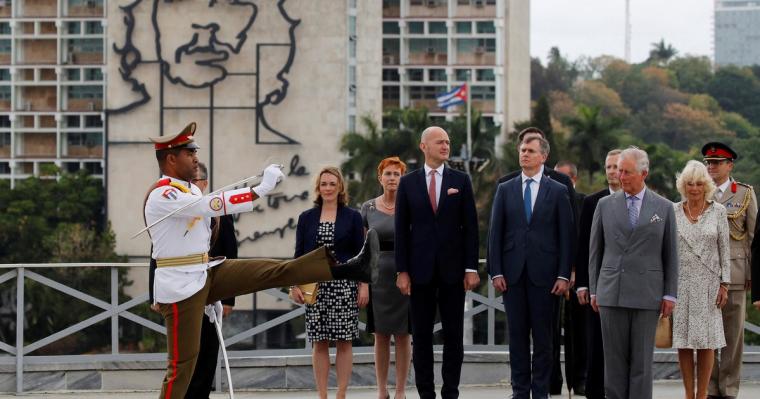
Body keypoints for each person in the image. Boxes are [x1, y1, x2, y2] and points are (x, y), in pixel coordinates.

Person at [143, 122, 378, 399]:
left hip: (205, 271)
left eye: (194, 151)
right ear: (171, 158)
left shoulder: (190, 190)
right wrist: (261, 188)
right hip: (180, 284)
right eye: (189, 153)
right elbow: (210, 206)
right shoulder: (164, 194)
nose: (195, 157)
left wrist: (213, 291)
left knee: (270, 270)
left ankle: (345, 269)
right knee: (182, 365)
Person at [395, 126, 479, 399]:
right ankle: (426, 393)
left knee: (453, 335)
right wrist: (402, 270)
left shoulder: (461, 180)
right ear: (424, 147)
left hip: (453, 272)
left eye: (447, 142)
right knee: (421, 337)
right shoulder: (408, 183)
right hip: (419, 272)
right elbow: (401, 230)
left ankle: (451, 391)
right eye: (439, 142)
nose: (445, 146)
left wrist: (470, 268)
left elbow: (471, 227)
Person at [588, 146, 678, 399]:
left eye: (627, 172)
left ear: (644, 174)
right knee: (614, 364)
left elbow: (670, 254)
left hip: (647, 294)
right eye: (618, 170)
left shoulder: (664, 207)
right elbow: (595, 251)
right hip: (611, 293)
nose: (620, 176)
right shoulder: (604, 205)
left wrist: (670, 294)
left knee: (641, 363)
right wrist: (594, 289)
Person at [488, 136, 574, 399]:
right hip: (512, 276)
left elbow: (566, 236)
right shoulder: (505, 188)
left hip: (546, 277)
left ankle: (540, 393)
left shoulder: (558, 191)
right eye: (522, 150)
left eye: (530, 151)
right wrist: (496, 271)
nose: (524, 154)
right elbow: (495, 233)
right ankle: (520, 391)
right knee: (517, 338)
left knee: (544, 340)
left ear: (543, 157)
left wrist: (563, 274)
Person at [291, 166, 366, 399]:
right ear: (318, 188)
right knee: (319, 342)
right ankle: (322, 395)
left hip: (344, 285)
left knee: (344, 341)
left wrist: (364, 286)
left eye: (332, 183)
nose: (328, 188)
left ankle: (341, 394)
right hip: (315, 286)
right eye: (324, 184)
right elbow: (299, 255)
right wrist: (294, 285)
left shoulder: (353, 217)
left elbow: (361, 254)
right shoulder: (306, 218)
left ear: (340, 186)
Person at [702, 142, 757, 399]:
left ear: (729, 165)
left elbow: (755, 238)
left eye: (716, 162)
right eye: (708, 162)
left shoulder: (744, 193)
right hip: (704, 274)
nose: (711, 167)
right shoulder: (698, 190)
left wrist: (752, 277)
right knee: (707, 337)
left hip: (735, 274)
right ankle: (710, 388)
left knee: (733, 339)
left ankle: (729, 389)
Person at [672, 160, 731, 399]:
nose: (693, 188)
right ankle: (689, 394)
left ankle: (703, 394)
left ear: (705, 185)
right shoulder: (673, 210)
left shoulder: (718, 211)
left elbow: (725, 251)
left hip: (709, 284)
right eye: (689, 183)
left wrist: (724, 284)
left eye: (698, 183)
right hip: (681, 283)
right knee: (684, 342)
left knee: (707, 342)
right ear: (682, 185)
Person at [360, 157, 412, 399]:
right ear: (380, 178)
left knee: (403, 335)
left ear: (402, 178)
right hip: (376, 275)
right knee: (380, 335)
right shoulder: (367, 208)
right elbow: (363, 249)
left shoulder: (411, 205)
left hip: (405, 274)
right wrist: (363, 283)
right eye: (388, 174)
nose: (392, 178)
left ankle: (401, 390)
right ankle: (381, 390)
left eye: (397, 174)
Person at [185, 163, 237, 399]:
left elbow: (231, 255)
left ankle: (202, 394)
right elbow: (157, 254)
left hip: (211, 292)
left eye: (195, 181)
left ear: (204, 184)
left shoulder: (219, 212)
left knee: (207, 348)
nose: (192, 186)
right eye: (188, 181)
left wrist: (229, 299)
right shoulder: (175, 209)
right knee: (184, 350)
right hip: (181, 291)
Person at [575, 149, 622, 399]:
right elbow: (584, 247)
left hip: (628, 286)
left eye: (616, 167)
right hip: (599, 285)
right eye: (609, 167)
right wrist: (583, 284)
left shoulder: (638, 200)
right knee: (596, 344)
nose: (612, 172)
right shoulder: (593, 202)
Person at [553, 160, 587, 396]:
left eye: (562, 178)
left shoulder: (585, 202)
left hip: (578, 276)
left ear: (573, 180)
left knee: (579, 331)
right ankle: (552, 380)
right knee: (550, 331)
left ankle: (580, 380)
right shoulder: (548, 199)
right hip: (551, 275)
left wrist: (574, 270)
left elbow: (583, 240)